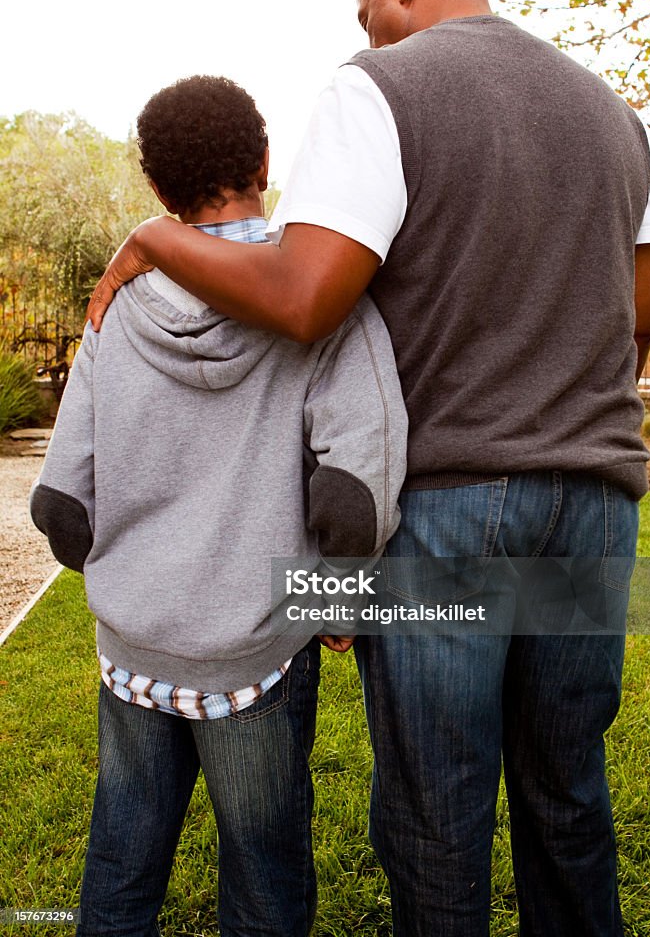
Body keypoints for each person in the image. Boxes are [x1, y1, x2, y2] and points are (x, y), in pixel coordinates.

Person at [85, 0, 650, 936]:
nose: (367, 31)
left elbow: (307, 296)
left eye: (366, 10)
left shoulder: (377, 89)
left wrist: (157, 239)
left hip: (451, 512)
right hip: (592, 507)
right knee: (565, 795)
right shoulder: (620, 120)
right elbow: (638, 321)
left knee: (439, 809)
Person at [30, 74, 407, 937]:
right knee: (265, 874)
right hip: (255, 654)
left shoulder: (115, 305)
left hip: (131, 647)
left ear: (156, 192)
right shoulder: (321, 301)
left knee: (122, 866)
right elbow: (356, 490)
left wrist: (147, 577)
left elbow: (61, 505)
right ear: (265, 161)